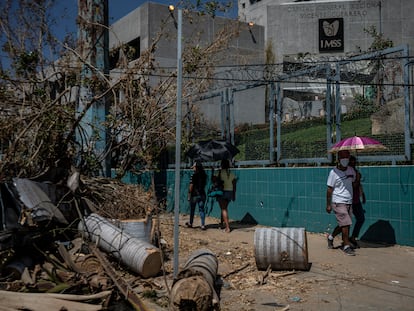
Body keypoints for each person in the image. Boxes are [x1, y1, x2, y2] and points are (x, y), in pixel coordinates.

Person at [326, 150, 357, 256]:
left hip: (349, 201)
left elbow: (354, 184)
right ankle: (346, 245)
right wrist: (328, 204)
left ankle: (331, 237)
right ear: (338, 160)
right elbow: (329, 189)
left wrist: (357, 174)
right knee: (346, 223)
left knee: (343, 224)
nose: (345, 160)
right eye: (343, 158)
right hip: (338, 201)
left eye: (347, 158)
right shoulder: (333, 173)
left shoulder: (351, 170)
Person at [212, 159, 236, 233]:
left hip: (222, 192)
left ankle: (227, 228)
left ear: (221, 164)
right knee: (224, 208)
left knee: (223, 209)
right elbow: (234, 184)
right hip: (230, 192)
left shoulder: (218, 172)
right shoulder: (231, 173)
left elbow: (213, 181)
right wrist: (234, 195)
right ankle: (222, 223)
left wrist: (212, 172)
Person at [349, 155, 366, 248]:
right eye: (351, 162)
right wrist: (358, 178)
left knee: (361, 218)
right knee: (346, 222)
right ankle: (332, 237)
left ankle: (353, 237)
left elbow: (359, 186)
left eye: (354, 162)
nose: (353, 164)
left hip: (356, 200)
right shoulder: (347, 173)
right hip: (348, 200)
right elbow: (353, 186)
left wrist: (362, 195)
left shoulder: (356, 172)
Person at [186, 161, 208, 230]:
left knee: (192, 209)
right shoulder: (204, 175)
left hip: (194, 195)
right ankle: (203, 225)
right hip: (202, 194)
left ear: (196, 168)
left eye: (194, 167)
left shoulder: (193, 175)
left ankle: (191, 223)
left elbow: (191, 186)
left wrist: (189, 194)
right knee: (201, 209)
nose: (193, 169)